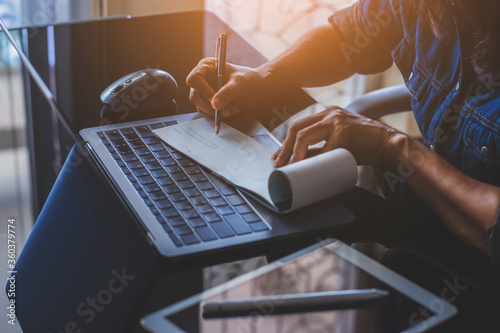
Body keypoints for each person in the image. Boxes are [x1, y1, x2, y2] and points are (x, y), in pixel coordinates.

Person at [187, 0, 500, 329]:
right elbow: (348, 38)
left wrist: (392, 146)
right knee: (296, 228)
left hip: (484, 267)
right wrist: (264, 78)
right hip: (431, 217)